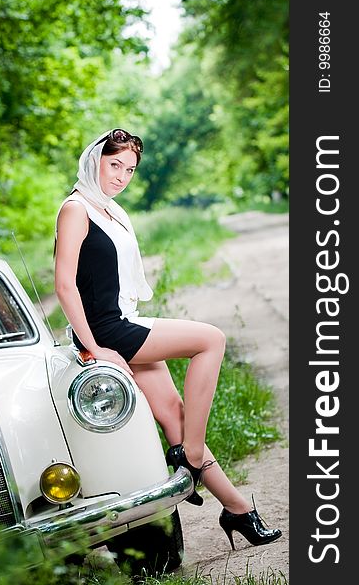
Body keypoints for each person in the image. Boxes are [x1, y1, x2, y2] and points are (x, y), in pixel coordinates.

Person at [54, 128, 281, 550]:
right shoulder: (76, 209)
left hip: (120, 320)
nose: (122, 176)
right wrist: (94, 346)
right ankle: (190, 456)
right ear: (95, 161)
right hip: (108, 330)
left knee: (176, 414)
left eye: (130, 169)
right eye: (115, 164)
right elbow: (64, 285)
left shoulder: (108, 209)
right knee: (211, 339)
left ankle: (237, 511)